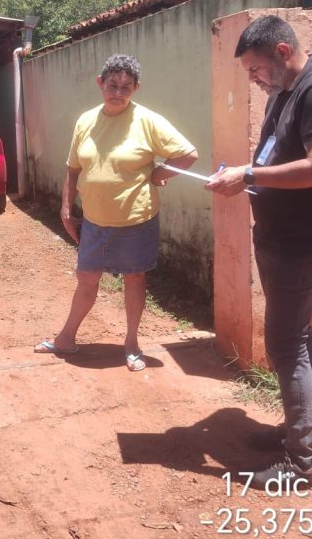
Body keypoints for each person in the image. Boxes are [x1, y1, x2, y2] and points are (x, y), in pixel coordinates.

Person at [206, 16, 312, 490]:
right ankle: (298, 429)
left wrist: (249, 176)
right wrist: (244, 172)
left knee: (285, 343)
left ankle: (302, 462)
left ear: (283, 52)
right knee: (295, 338)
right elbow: (274, 155)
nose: (253, 79)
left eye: (255, 69)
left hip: (301, 241)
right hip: (277, 235)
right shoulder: (284, 93)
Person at [36, 54, 198, 371]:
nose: (118, 93)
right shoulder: (85, 121)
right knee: (86, 278)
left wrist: (159, 174)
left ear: (136, 88)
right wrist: (66, 207)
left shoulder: (147, 121)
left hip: (136, 219)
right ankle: (65, 338)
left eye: (126, 87)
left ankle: (132, 343)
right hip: (94, 220)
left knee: (134, 278)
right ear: (101, 83)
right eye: (113, 85)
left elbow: (188, 154)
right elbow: (73, 168)